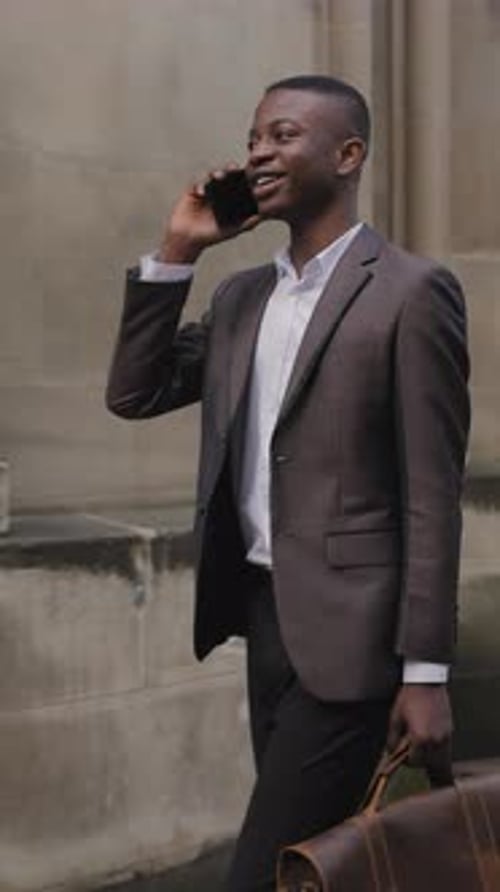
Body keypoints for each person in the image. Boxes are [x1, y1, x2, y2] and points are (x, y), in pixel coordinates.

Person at [106, 75, 470, 892]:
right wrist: (179, 252)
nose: (258, 154)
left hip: (357, 639)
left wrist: (426, 673)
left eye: (283, 135)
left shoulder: (411, 292)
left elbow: (431, 495)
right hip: (264, 622)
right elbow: (135, 392)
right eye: (253, 139)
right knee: (313, 867)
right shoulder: (242, 298)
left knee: (262, 873)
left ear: (348, 155)